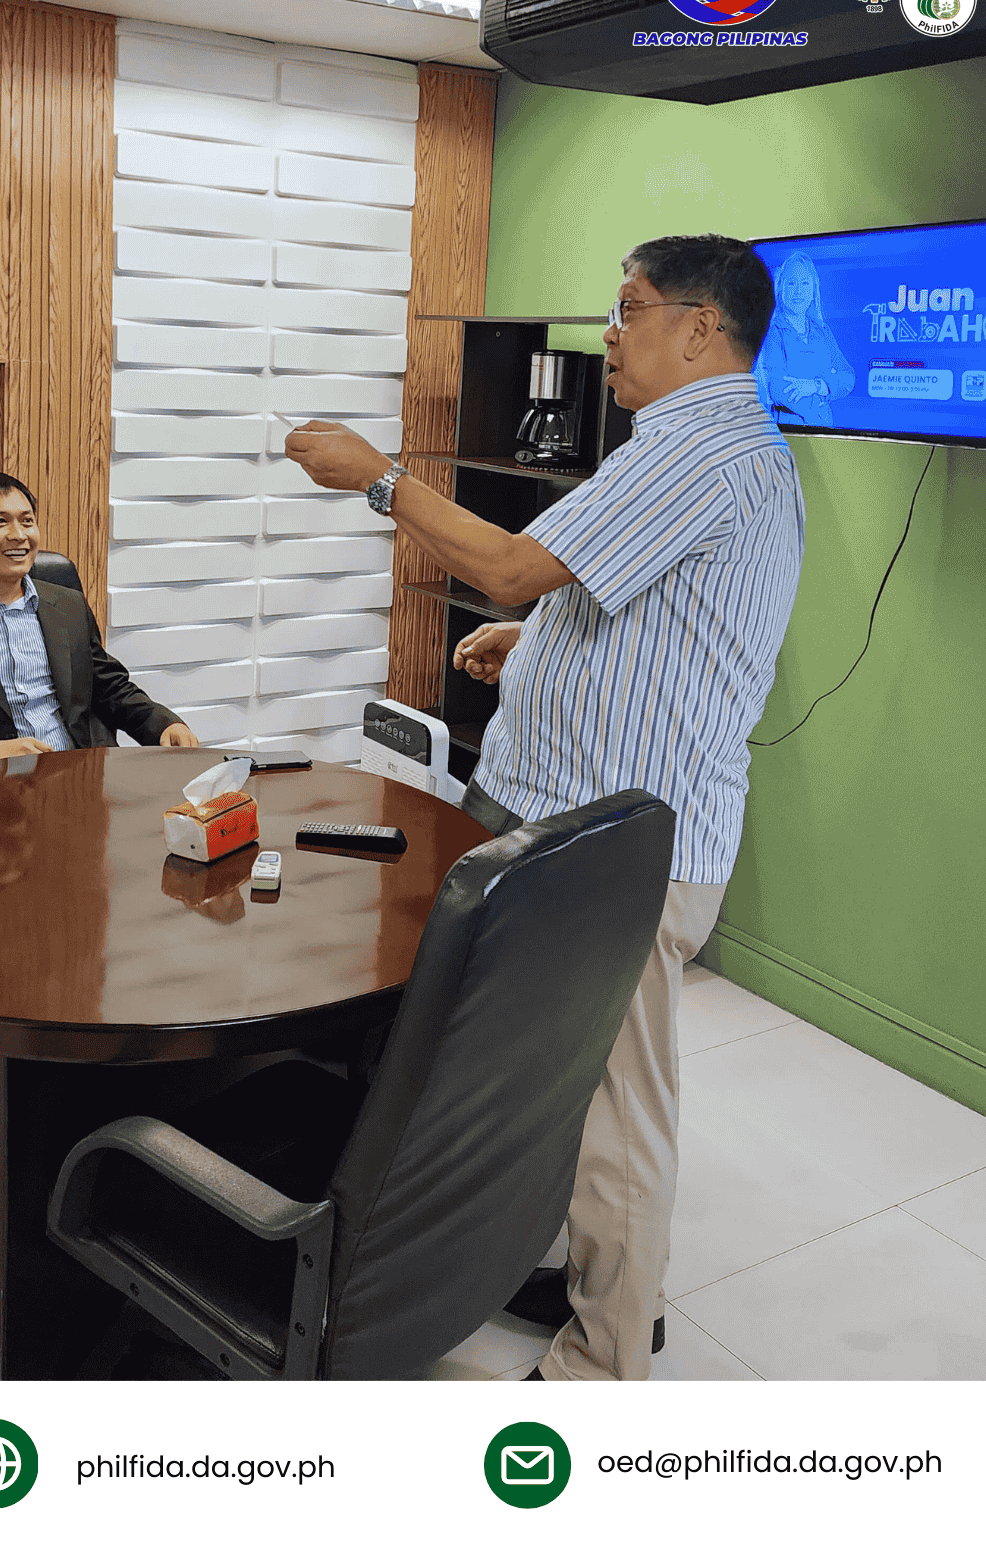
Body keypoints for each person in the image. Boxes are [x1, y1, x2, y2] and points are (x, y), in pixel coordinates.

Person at [285, 234, 804, 1381]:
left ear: (701, 328)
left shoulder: (700, 451)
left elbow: (518, 562)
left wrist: (381, 479)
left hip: (614, 850)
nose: (609, 333)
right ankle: (567, 1267)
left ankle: (607, 1355)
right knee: (546, 1077)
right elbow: (635, 602)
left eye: (629, 310)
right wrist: (543, 642)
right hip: (563, 822)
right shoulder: (700, 447)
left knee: (617, 1106)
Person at [0, 473, 199, 772]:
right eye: (0, 522)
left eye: (27, 521)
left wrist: (163, 723)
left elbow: (108, 686)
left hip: (79, 779)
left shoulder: (67, 604)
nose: (18, 536)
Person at [751, 250, 854, 426]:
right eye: (792, 283)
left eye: (805, 283)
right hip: (789, 432)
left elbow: (848, 378)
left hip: (826, 430)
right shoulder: (771, 331)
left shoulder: (822, 331)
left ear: (813, 290)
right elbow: (777, 389)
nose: (799, 291)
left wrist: (816, 386)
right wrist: (824, 397)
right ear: (781, 287)